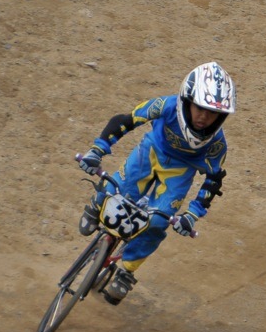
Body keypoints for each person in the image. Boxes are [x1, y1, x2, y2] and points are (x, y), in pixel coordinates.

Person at [75, 62, 236, 303]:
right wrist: (97, 150)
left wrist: (191, 215)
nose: (204, 117)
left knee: (157, 222)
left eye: (212, 113)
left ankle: (127, 272)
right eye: (199, 108)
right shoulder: (166, 106)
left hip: (180, 173)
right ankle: (97, 205)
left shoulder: (217, 145)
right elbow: (125, 120)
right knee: (114, 188)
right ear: (186, 100)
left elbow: (213, 181)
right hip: (150, 152)